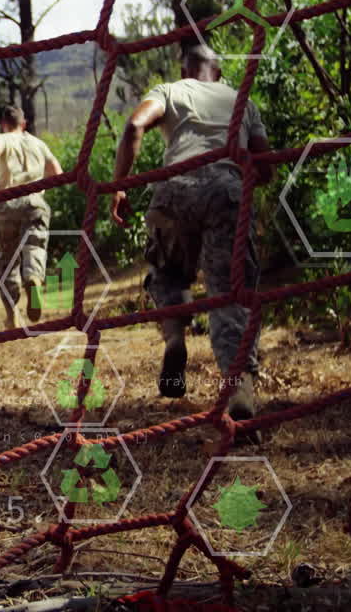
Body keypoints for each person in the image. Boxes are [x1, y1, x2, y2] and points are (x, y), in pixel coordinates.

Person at [109, 44, 273, 428]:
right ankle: (238, 387)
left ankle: (174, 339)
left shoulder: (170, 90)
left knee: (166, 272)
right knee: (230, 291)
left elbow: (134, 126)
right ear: (219, 73)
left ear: (184, 70)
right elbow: (266, 168)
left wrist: (120, 186)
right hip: (227, 189)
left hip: (175, 188)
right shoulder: (242, 102)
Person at [0, 105, 62, 329]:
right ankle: (33, 278)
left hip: (7, 202)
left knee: (8, 258)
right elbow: (57, 173)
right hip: (34, 202)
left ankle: (12, 315)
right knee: (35, 246)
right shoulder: (38, 143)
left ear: (3, 124)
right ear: (24, 123)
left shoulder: (1, 138)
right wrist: (39, 188)